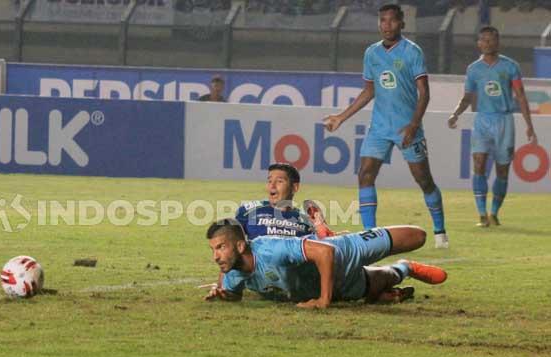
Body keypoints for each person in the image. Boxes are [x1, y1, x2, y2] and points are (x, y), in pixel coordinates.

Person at [322, 3, 448, 249]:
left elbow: (424, 93)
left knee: (424, 180)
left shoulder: (412, 52)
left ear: (402, 23)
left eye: (391, 20)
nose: (386, 25)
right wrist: (341, 116)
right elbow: (369, 91)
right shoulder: (372, 53)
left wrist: (414, 124)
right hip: (379, 127)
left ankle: (440, 231)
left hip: (407, 128)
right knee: (365, 174)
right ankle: (370, 236)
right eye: (382, 20)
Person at [205, 219, 447, 308]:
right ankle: (407, 267)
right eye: (213, 249)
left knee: (417, 236)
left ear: (239, 246)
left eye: (220, 248)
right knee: (385, 280)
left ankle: (327, 231)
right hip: (336, 284)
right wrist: (224, 296)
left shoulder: (271, 248)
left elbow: (326, 253)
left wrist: (324, 300)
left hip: (342, 252)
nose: (216, 256)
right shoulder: (232, 275)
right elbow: (233, 294)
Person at [447, 26, 537, 227]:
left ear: (498, 42)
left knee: (502, 170)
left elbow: (521, 96)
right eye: (484, 40)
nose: (487, 43)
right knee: (478, 164)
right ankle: (481, 214)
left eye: (491, 40)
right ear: (479, 43)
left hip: (504, 121)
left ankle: (494, 213)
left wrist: (529, 125)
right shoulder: (473, 69)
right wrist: (456, 113)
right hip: (482, 120)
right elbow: (467, 97)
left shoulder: (510, 66)